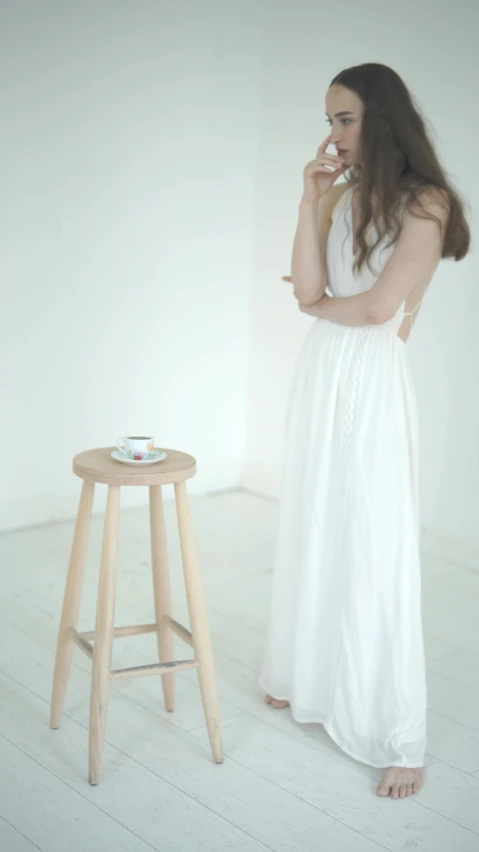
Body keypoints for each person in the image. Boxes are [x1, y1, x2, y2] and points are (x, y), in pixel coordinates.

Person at [258, 63, 470, 800]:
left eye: (343, 118)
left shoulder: (426, 201)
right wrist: (307, 203)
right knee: (315, 521)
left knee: (373, 539)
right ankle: (299, 678)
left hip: (373, 381)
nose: (332, 135)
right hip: (323, 375)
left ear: (380, 119)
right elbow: (310, 288)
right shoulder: (341, 193)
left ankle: (396, 736)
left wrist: (320, 309)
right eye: (328, 120)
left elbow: (378, 309)